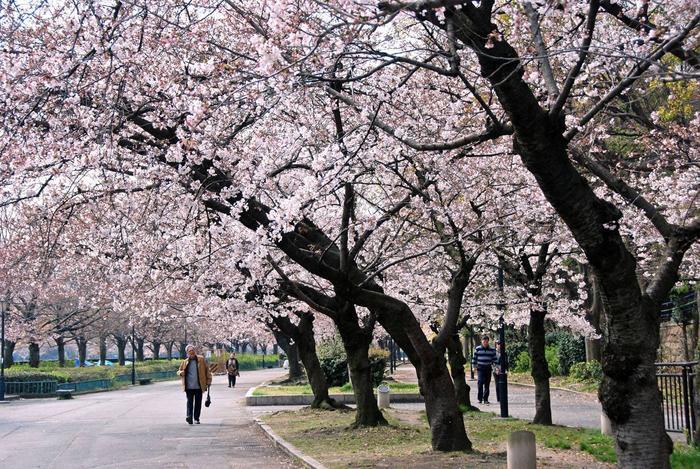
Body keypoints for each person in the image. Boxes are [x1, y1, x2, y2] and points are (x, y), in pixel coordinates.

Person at [177, 345, 212, 424]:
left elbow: (207, 371)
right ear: (187, 353)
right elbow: (179, 371)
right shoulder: (184, 362)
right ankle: (189, 417)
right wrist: (181, 373)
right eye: (190, 351)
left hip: (199, 385)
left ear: (195, 351)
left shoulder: (201, 359)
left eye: (192, 350)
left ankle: (196, 418)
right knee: (189, 402)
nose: (192, 352)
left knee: (198, 402)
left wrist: (209, 380)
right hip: (189, 386)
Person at [472, 335, 498, 405]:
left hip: (488, 368)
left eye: (486, 341)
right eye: (484, 341)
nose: (485, 343)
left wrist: (496, 367)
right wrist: (473, 367)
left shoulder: (492, 350)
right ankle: (480, 399)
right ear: (481, 341)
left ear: (488, 342)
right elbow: (474, 359)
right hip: (480, 368)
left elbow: (495, 359)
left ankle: (486, 399)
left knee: (487, 383)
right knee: (480, 383)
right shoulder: (478, 349)